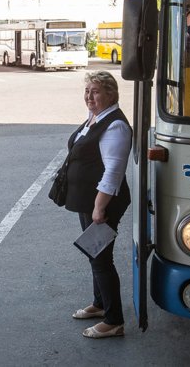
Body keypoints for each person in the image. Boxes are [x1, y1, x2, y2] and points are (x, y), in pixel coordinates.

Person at [65, 71, 131, 339]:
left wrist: (99, 207)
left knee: (102, 259)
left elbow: (113, 171)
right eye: (87, 91)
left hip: (103, 203)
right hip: (90, 201)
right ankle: (100, 304)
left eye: (95, 91)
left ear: (111, 95)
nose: (89, 97)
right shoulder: (97, 118)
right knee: (95, 254)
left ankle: (114, 320)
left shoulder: (115, 125)